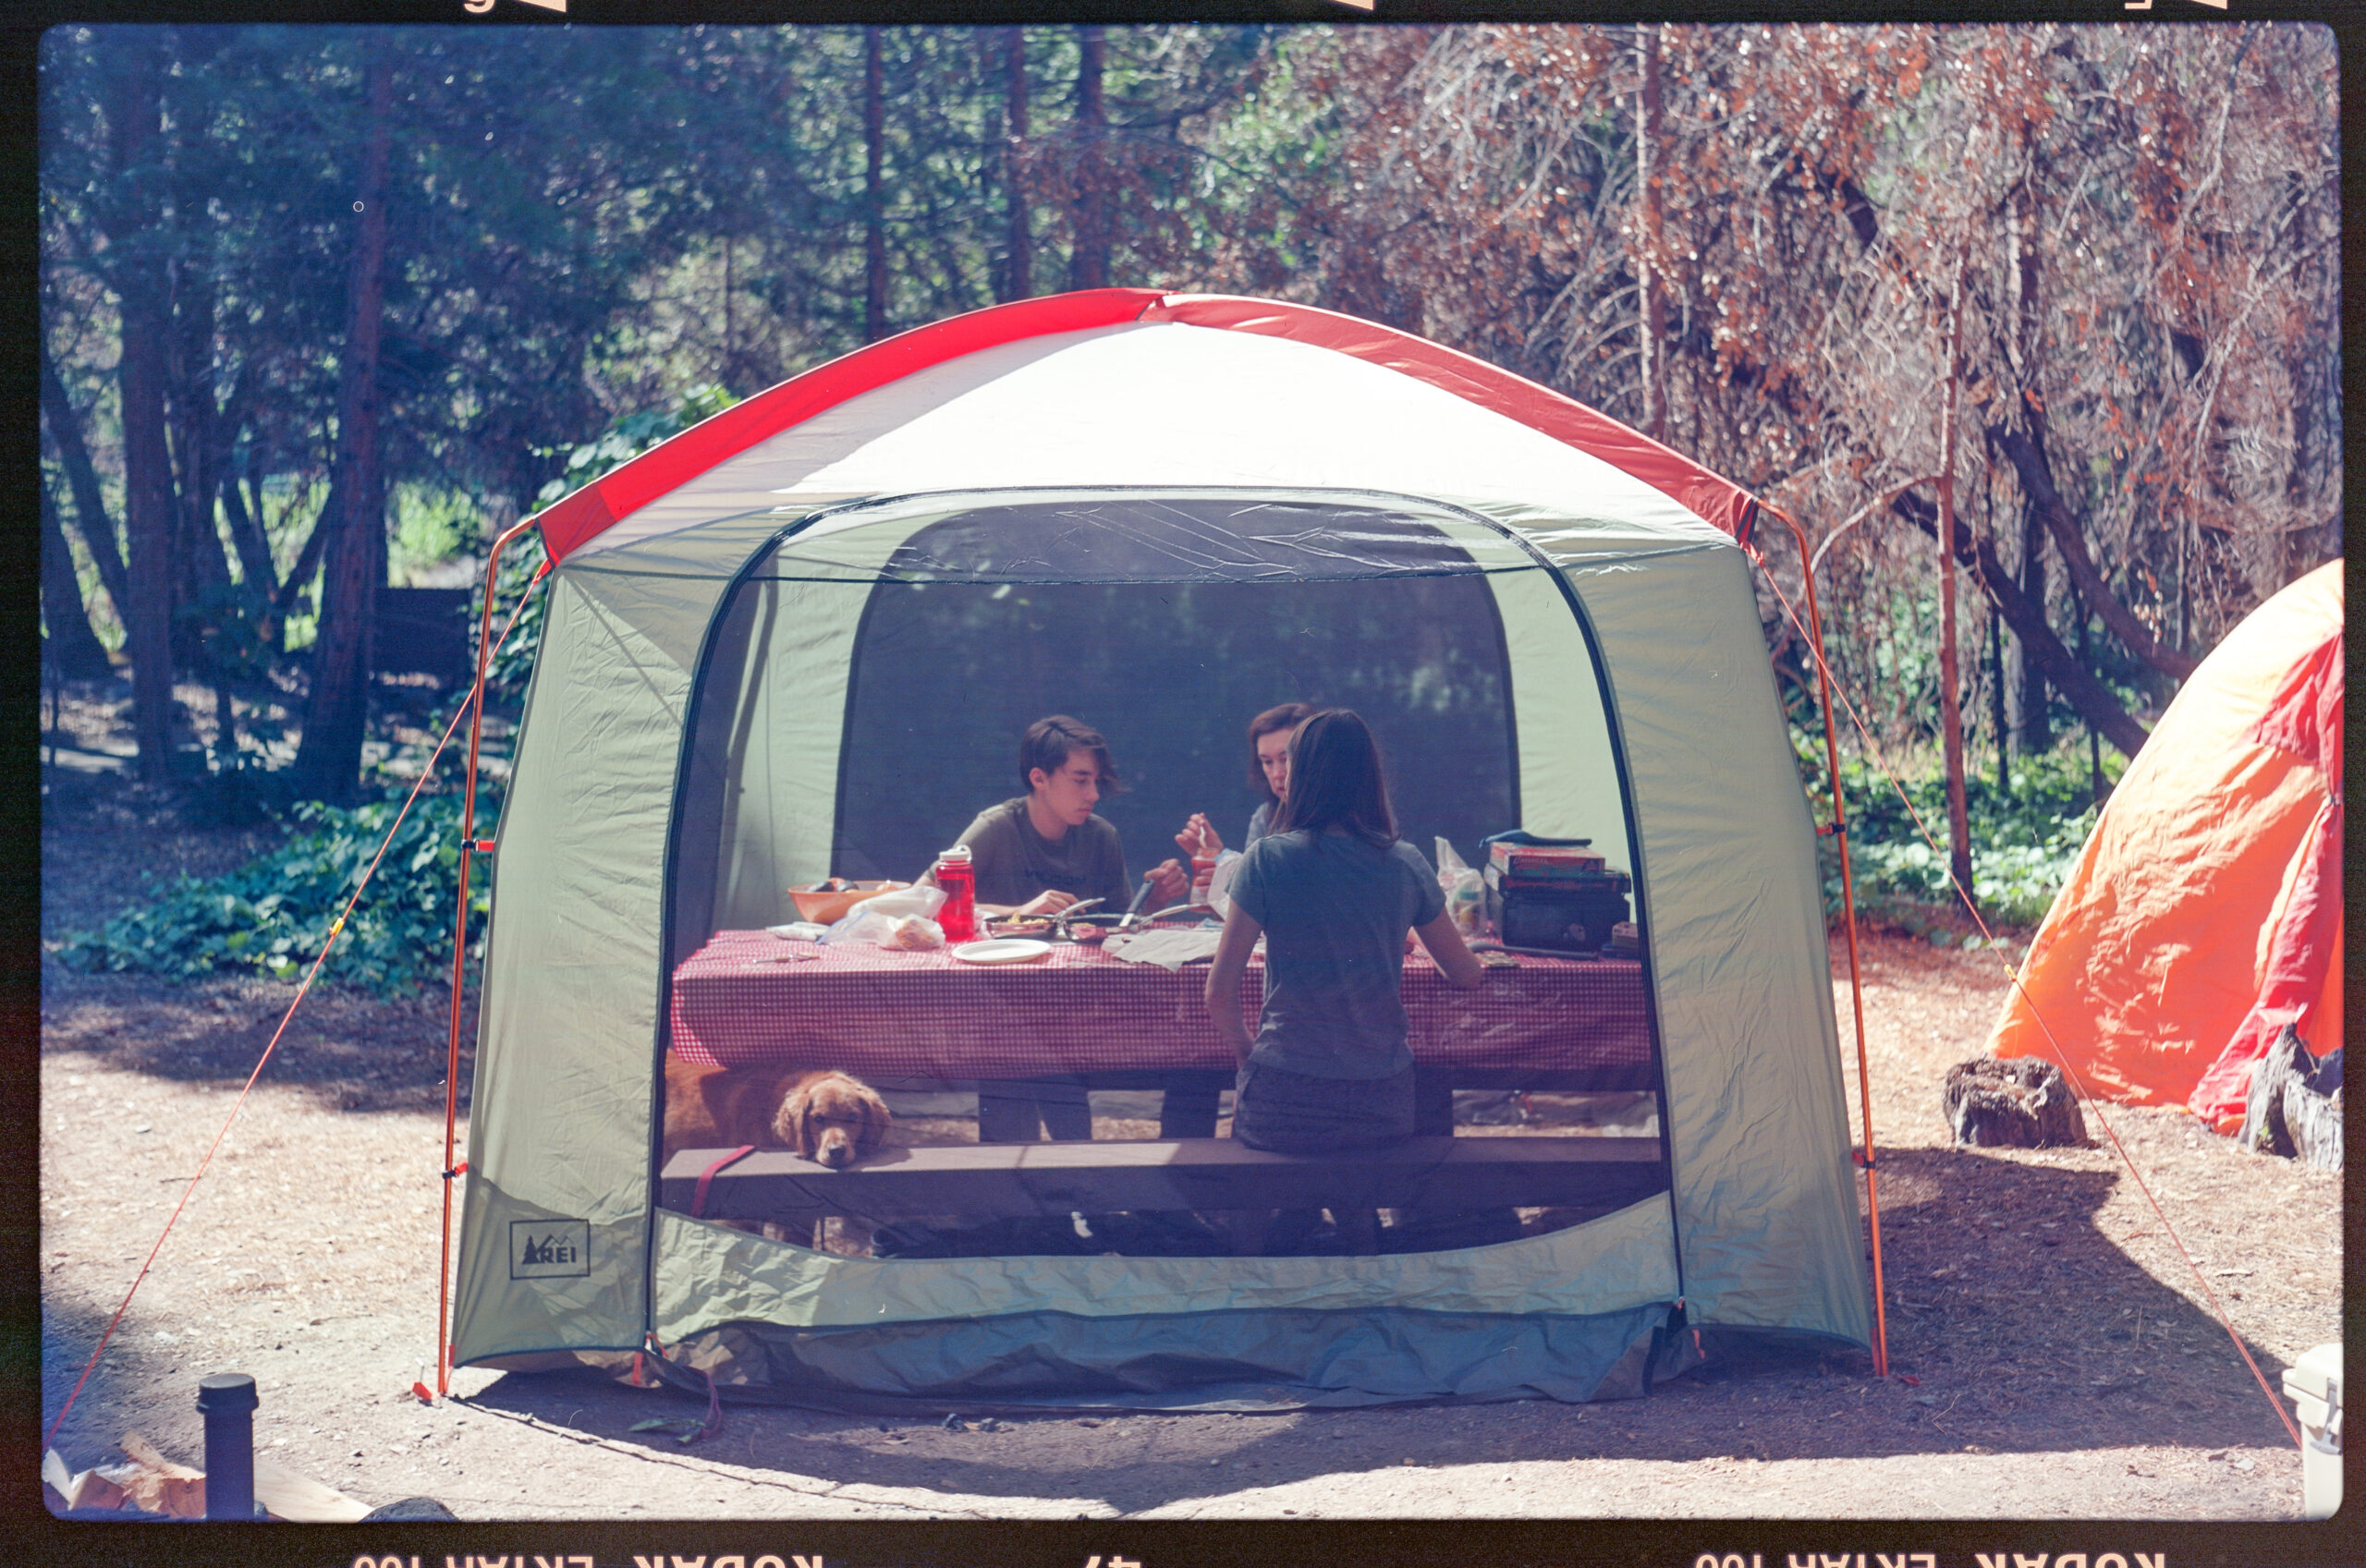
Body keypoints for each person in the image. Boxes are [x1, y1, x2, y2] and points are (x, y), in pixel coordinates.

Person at [1202, 709, 1485, 1253]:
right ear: (1370, 775)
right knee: (1351, 1165)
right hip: (1379, 1106)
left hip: (1284, 1099)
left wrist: (1247, 1056)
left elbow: (1218, 992)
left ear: (1301, 773)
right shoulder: (1404, 863)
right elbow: (1464, 973)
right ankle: (1361, 1255)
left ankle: (1252, 1262)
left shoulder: (1267, 859)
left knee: (1268, 1146)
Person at [946, 715, 1188, 1142]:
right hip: (999, 1002)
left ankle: (1074, 1193)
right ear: (1039, 777)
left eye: (1095, 781)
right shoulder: (997, 826)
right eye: (1080, 780)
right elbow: (924, 901)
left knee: (1069, 1100)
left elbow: (1120, 923)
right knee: (1011, 1082)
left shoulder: (1100, 837)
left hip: (1073, 1006)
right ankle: (1014, 1203)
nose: (1093, 794)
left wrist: (1152, 901)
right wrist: (1017, 912)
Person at [1161, 701, 1319, 1140]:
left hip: (1304, 1001)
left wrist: (1231, 872)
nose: (1276, 772)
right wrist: (1215, 867)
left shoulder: (1355, 823)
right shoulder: (1266, 819)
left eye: (1286, 758)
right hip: (1262, 984)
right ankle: (1183, 1194)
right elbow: (1240, 913)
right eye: (1267, 762)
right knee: (1190, 1051)